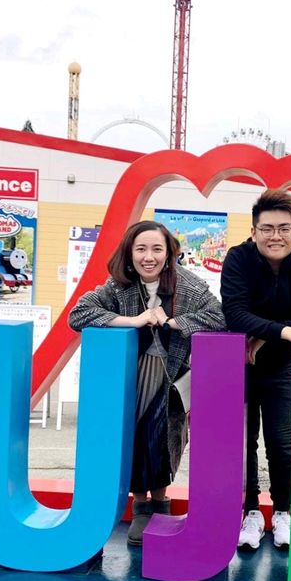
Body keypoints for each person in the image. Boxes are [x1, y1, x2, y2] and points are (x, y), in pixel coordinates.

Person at [69, 220, 226, 545]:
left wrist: (174, 322)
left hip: (172, 377)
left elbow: (219, 317)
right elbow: (78, 315)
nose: (148, 256)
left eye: (157, 249)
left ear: (169, 253)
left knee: (165, 436)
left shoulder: (189, 285)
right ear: (130, 252)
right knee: (136, 436)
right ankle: (141, 505)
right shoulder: (118, 287)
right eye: (141, 249)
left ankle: (161, 501)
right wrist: (132, 320)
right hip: (132, 376)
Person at [220, 189, 291, 550]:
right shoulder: (238, 260)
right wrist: (286, 330)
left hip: (283, 366)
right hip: (237, 364)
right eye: (267, 228)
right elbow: (234, 314)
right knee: (242, 445)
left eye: (284, 228)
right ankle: (251, 511)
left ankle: (283, 511)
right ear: (254, 231)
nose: (276, 236)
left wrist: (267, 336)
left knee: (283, 445)